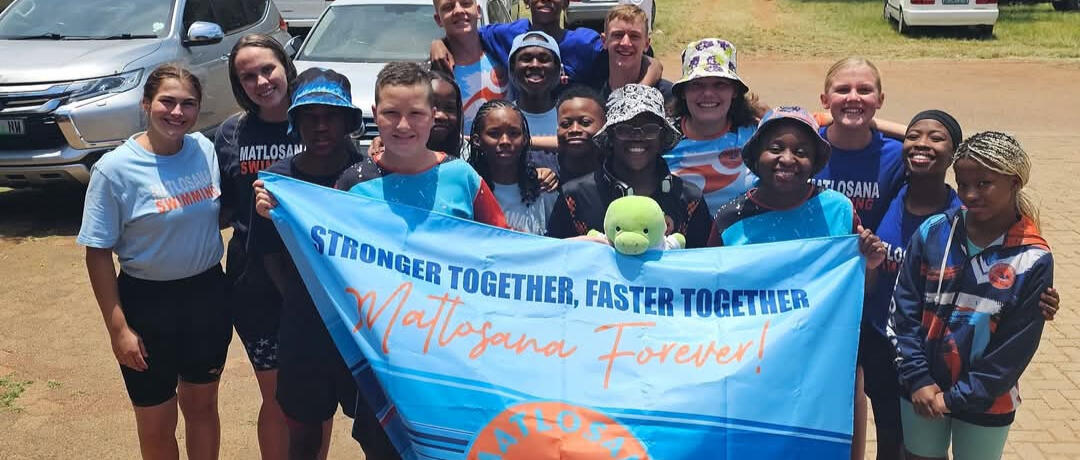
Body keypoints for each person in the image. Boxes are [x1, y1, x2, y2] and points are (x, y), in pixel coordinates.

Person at [868, 112, 1061, 460]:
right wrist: (919, 380)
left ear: (1014, 182)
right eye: (963, 183)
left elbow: (1014, 348)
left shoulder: (1033, 258)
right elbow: (903, 310)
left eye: (984, 184)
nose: (970, 194)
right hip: (920, 388)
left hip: (988, 398)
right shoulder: (933, 232)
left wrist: (955, 398)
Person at [706, 106, 885, 460]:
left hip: (827, 364)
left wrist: (872, 263)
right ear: (756, 156)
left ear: (815, 161)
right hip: (754, 366)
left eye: (801, 152)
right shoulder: (731, 218)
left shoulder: (837, 208)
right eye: (775, 148)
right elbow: (711, 295)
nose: (787, 158)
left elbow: (861, 289)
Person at [78, 64, 232, 460]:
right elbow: (97, 252)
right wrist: (118, 329)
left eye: (188, 104)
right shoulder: (114, 170)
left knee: (202, 409)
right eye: (167, 101)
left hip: (207, 296)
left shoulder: (204, 150)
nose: (177, 112)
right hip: (147, 303)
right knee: (156, 422)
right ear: (147, 104)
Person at [251, 68, 397, 460]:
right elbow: (270, 257)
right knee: (303, 437)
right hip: (305, 329)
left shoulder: (373, 176)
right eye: (309, 116)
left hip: (367, 328)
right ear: (294, 122)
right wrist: (309, 300)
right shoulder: (276, 183)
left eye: (330, 115)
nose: (320, 126)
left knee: (377, 435)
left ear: (349, 121)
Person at [215, 34, 300, 460]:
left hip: (315, 282)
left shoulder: (317, 119)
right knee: (276, 394)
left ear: (285, 64)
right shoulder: (230, 133)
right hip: (254, 285)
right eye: (247, 76)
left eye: (267, 69)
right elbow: (223, 207)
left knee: (312, 395)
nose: (261, 81)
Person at [547, 84, 711, 247]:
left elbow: (705, 263)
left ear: (662, 137)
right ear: (610, 136)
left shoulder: (689, 198)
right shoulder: (574, 196)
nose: (637, 137)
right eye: (625, 129)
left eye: (649, 129)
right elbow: (554, 259)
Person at [664, 38, 759, 214]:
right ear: (683, 92)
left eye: (720, 84)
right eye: (697, 85)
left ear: (735, 91)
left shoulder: (757, 135)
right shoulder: (663, 138)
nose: (708, 93)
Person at [814, 57, 906, 233]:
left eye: (864, 90)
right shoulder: (806, 147)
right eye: (842, 90)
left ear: (880, 100)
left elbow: (943, 143)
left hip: (870, 256)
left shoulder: (896, 156)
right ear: (825, 100)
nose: (853, 97)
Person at [467, 100, 558, 234]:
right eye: (494, 133)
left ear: (525, 139)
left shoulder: (544, 189)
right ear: (476, 141)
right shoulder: (468, 190)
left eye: (514, 133)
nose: (505, 141)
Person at [429, 0, 508, 135]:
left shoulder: (503, 55)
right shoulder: (435, 71)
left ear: (478, 11)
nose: (458, 11)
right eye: (448, 7)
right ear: (438, 19)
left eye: (466, 3)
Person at [506, 31, 564, 173]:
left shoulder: (569, 117)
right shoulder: (501, 118)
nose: (535, 65)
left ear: (557, 68)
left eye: (544, 59)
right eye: (526, 59)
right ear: (513, 67)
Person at [597, 4, 671, 101]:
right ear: (604, 41)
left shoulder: (668, 97)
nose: (625, 43)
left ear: (646, 44)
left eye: (634, 36)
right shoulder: (592, 101)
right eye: (618, 35)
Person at [556, 85, 606, 182]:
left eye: (585, 123)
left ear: (604, 126)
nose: (574, 129)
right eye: (566, 124)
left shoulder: (617, 172)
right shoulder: (545, 170)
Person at [427, 69, 468, 158]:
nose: (441, 116)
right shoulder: (397, 156)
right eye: (432, 106)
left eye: (449, 108)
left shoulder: (468, 156)